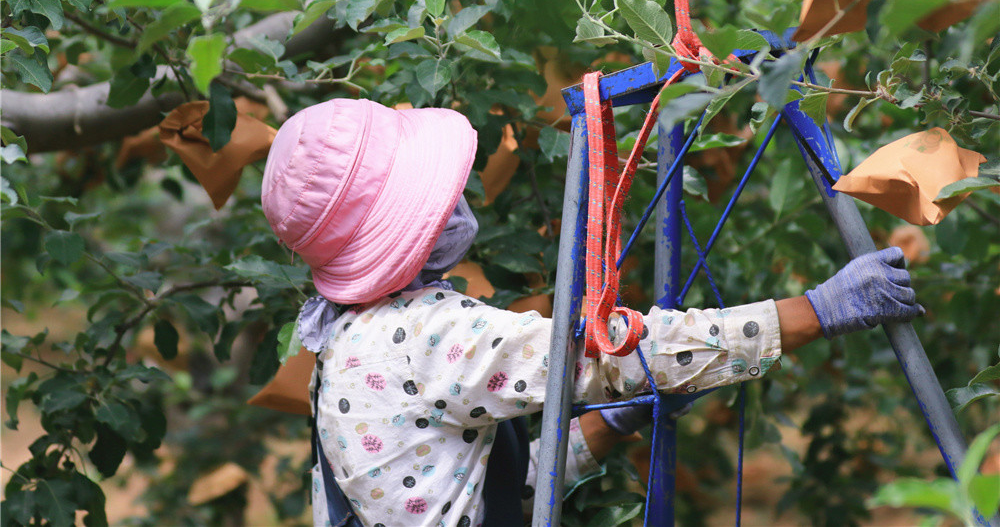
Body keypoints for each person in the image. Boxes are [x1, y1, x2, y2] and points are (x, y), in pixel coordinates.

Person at [260, 98, 921, 527]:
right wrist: (816, 309)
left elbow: (495, 492)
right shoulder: (426, 333)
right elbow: (614, 354)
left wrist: (615, 422)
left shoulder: (343, 340)